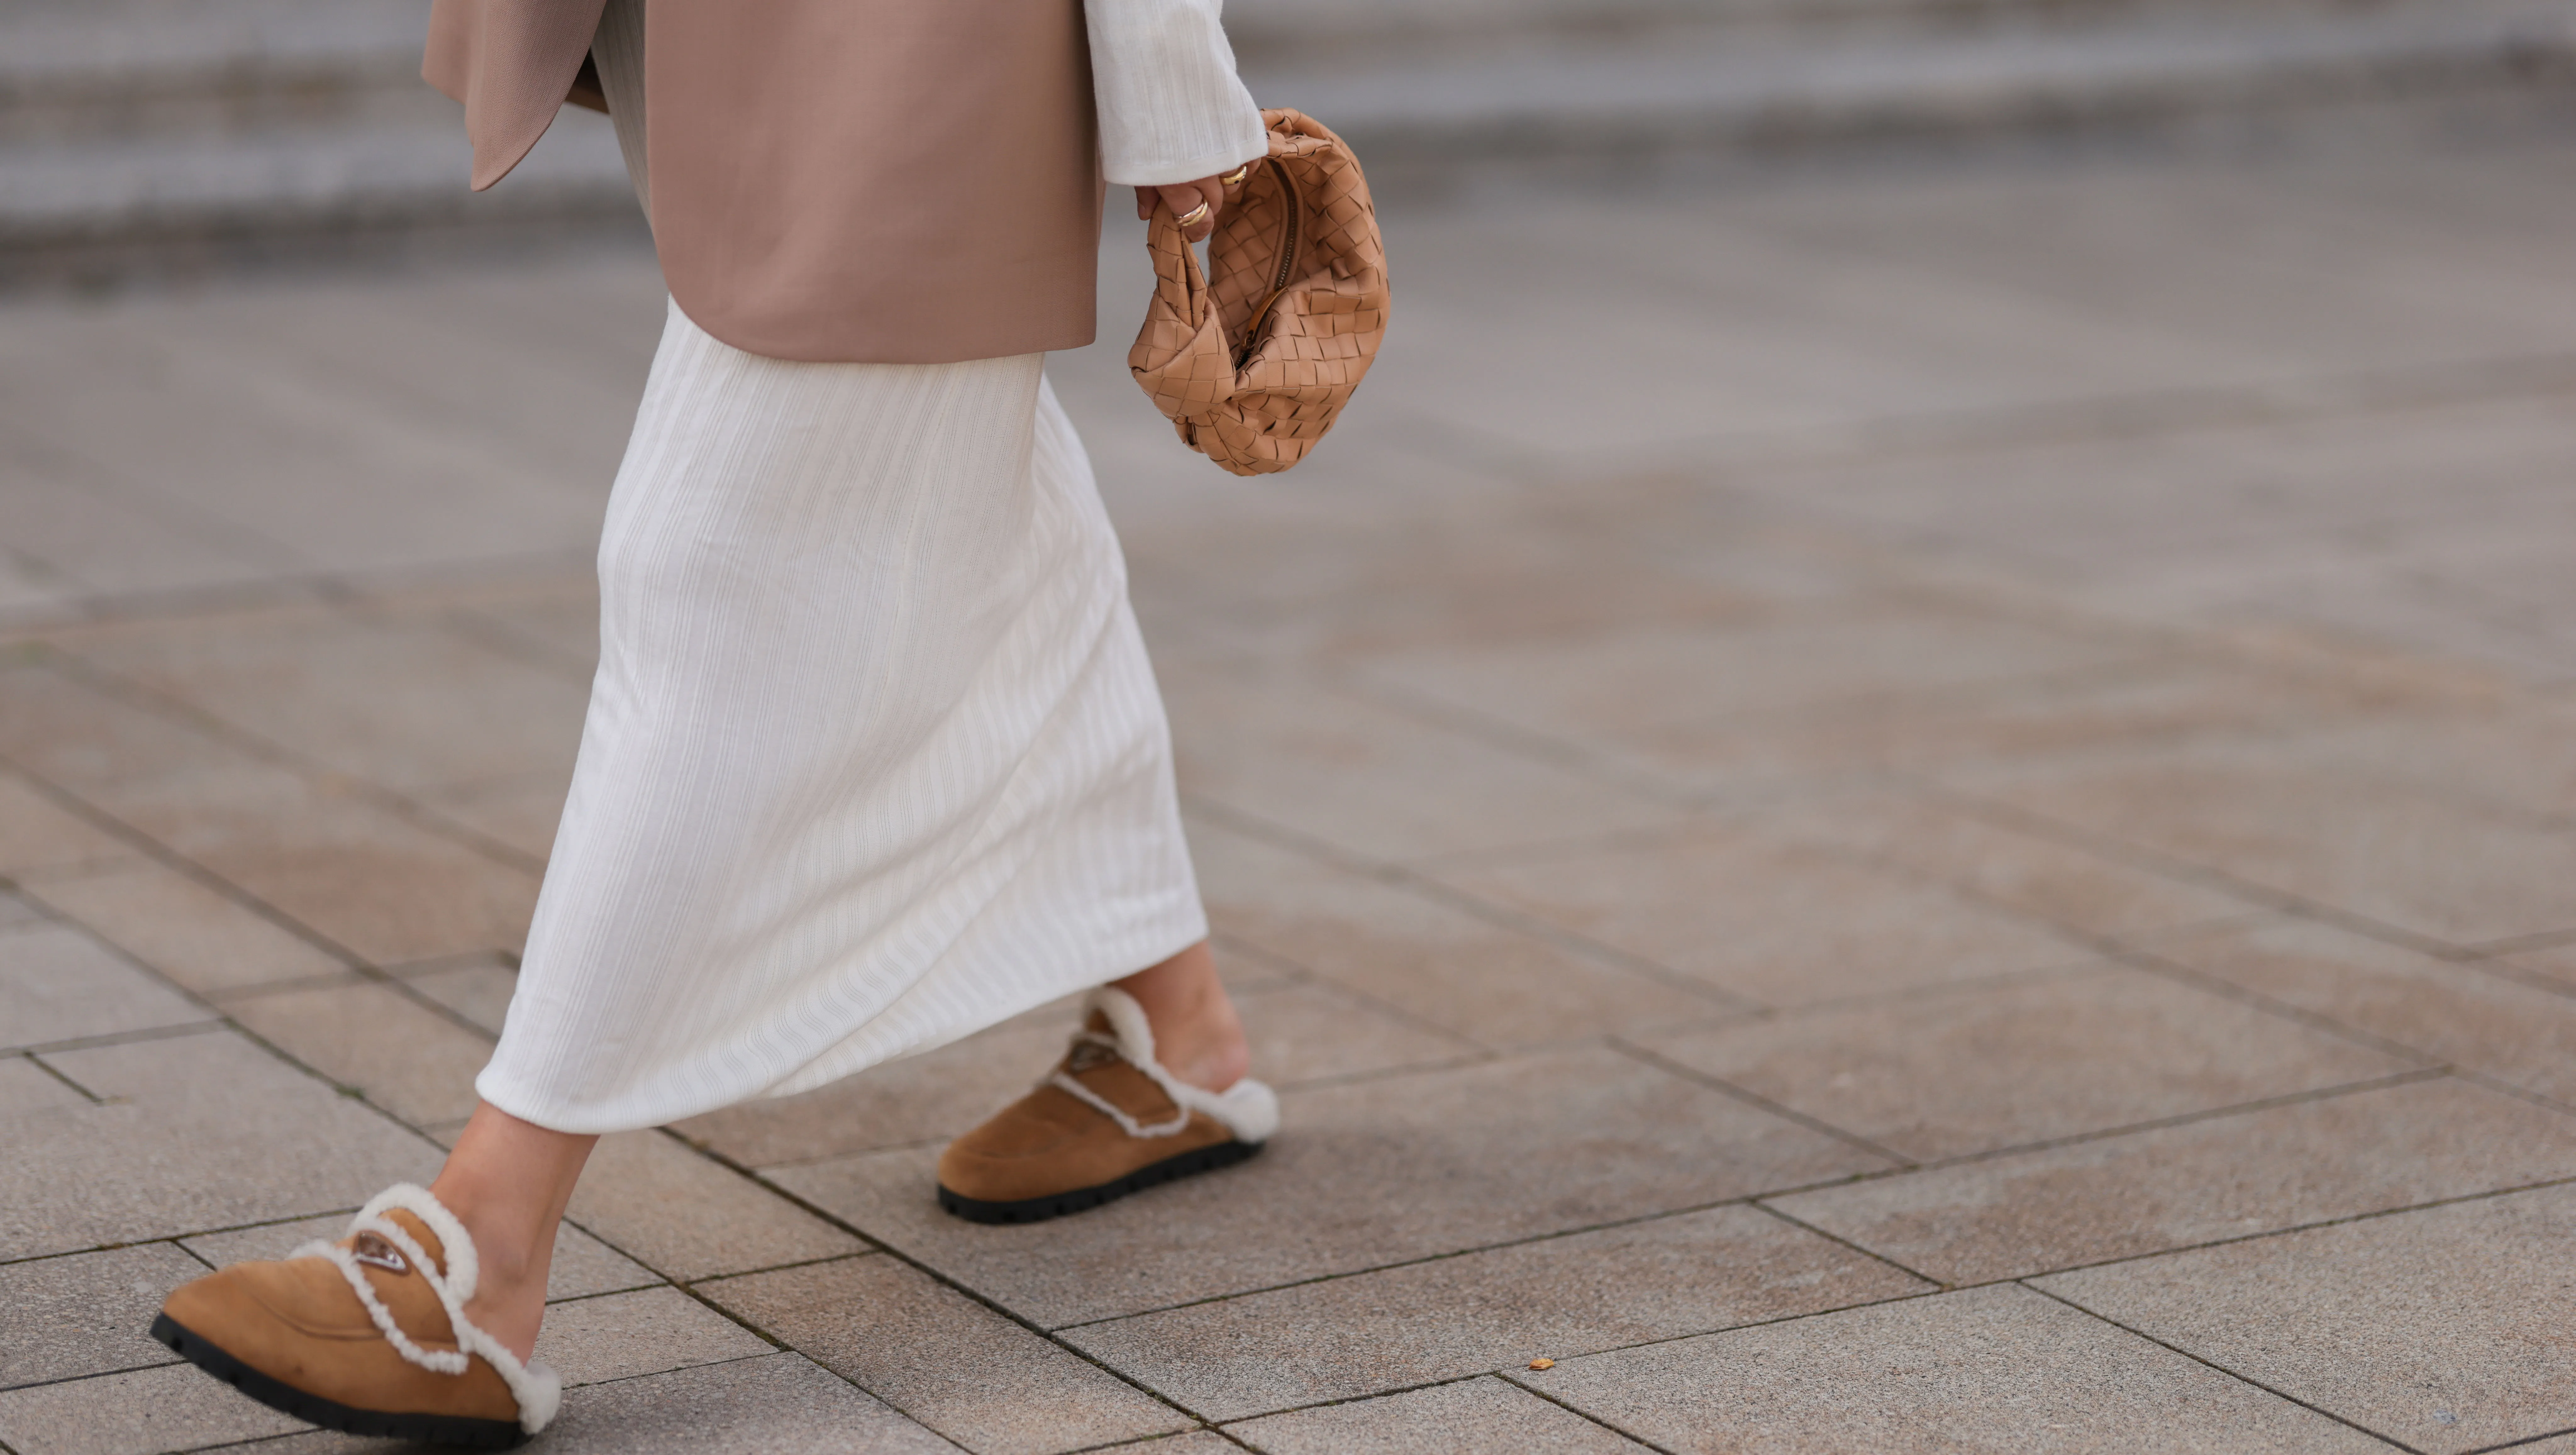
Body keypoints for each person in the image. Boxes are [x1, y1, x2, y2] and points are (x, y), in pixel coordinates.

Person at [150, 0, 1276, 1444]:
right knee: (985, 504)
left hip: (912, 52)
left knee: (714, 563)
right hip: (758, 43)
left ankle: (480, 1259)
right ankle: (1185, 1029)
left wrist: (1177, 89)